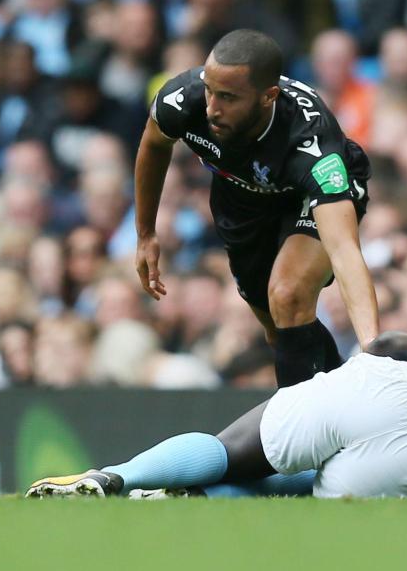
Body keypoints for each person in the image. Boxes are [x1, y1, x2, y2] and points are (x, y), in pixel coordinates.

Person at [26, 331, 407, 499]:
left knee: (233, 451)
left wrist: (334, 383)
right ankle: (182, 499)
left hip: (386, 385)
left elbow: (389, 342)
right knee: (292, 491)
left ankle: (111, 477)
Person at [134, 29, 378, 387]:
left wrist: (373, 349)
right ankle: (344, 391)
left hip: (308, 198)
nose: (212, 108)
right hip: (242, 200)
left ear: (269, 97)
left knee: (288, 294)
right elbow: (154, 146)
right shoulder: (182, 99)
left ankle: (308, 430)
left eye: (229, 98)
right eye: (210, 90)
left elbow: (345, 251)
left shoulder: (312, 145)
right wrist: (146, 234)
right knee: (279, 330)